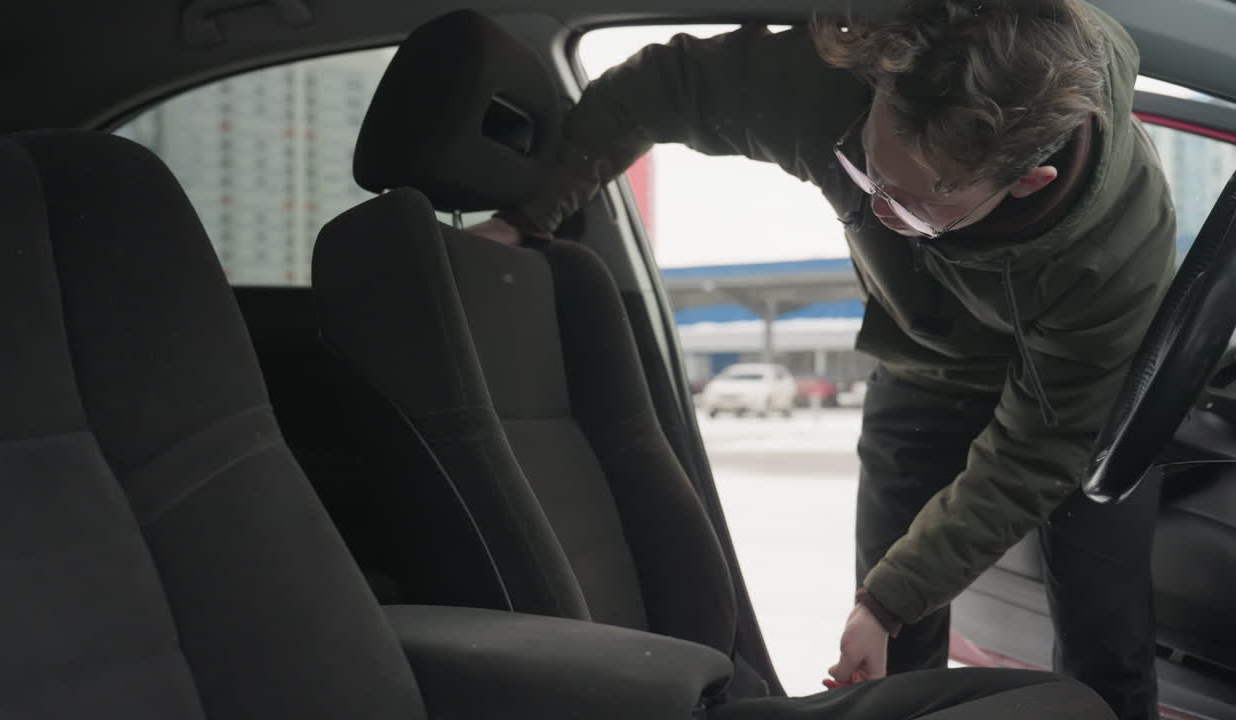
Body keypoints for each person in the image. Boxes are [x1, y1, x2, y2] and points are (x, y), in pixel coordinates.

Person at [470, 1, 1175, 718]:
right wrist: (529, 217)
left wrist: (893, 596)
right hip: (922, 366)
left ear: (1028, 183)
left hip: (1077, 400)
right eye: (867, 170)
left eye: (912, 205)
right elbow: (655, 88)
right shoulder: (841, 90)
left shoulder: (1117, 255)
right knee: (888, 647)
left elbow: (1039, 446)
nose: (877, 209)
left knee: (1106, 638)